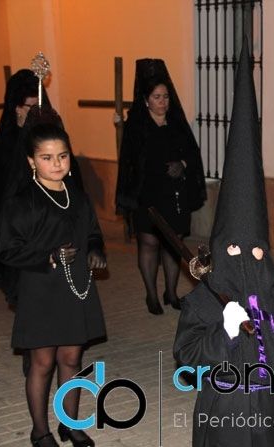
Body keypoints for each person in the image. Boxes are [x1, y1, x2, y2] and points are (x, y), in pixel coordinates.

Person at [173, 41, 274, 447]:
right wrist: (223, 331)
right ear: (220, 249)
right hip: (223, 417)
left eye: (256, 250)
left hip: (272, 414)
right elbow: (187, 358)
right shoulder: (204, 302)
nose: (247, 259)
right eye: (234, 250)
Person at [0, 109, 106, 447]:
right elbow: (7, 250)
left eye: (62, 155)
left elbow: (92, 232)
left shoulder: (78, 196)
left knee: (71, 358)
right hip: (41, 289)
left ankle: (70, 424)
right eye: (47, 158)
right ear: (32, 161)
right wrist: (47, 256)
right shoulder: (21, 202)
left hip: (76, 287)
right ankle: (40, 431)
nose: (56, 163)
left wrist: (95, 249)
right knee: (42, 363)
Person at [116, 59, 206, 315]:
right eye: (157, 97)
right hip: (147, 194)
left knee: (173, 243)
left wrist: (183, 164)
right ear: (146, 100)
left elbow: (193, 154)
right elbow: (129, 162)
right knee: (149, 243)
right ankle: (151, 295)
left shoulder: (177, 124)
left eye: (165, 97)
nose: (162, 102)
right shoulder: (137, 126)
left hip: (174, 194)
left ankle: (171, 292)